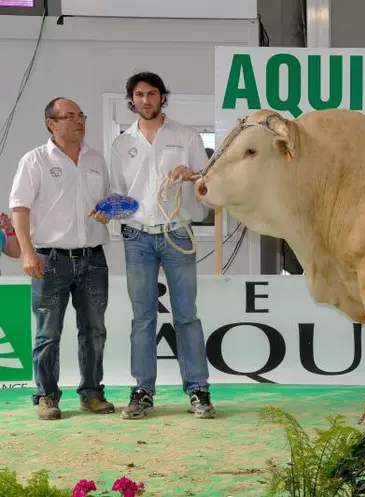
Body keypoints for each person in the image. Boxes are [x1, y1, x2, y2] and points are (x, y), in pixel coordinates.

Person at [95, 71, 215, 420]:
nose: (146, 100)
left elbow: (208, 180)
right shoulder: (120, 144)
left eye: (152, 93)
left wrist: (191, 175)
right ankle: (143, 391)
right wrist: (106, 210)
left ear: (163, 97)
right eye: (139, 94)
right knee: (142, 318)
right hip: (137, 237)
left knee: (186, 316)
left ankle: (198, 390)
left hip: (177, 233)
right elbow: (118, 194)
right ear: (131, 100)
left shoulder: (186, 136)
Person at [8, 97, 115, 420]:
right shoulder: (35, 160)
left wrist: (108, 211)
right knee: (48, 332)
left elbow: (107, 202)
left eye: (81, 115)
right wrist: (27, 251)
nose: (78, 121)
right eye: (69, 116)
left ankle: (92, 394)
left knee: (94, 330)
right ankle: (47, 396)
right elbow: (19, 209)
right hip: (50, 259)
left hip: (94, 259)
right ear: (51, 123)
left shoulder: (96, 159)